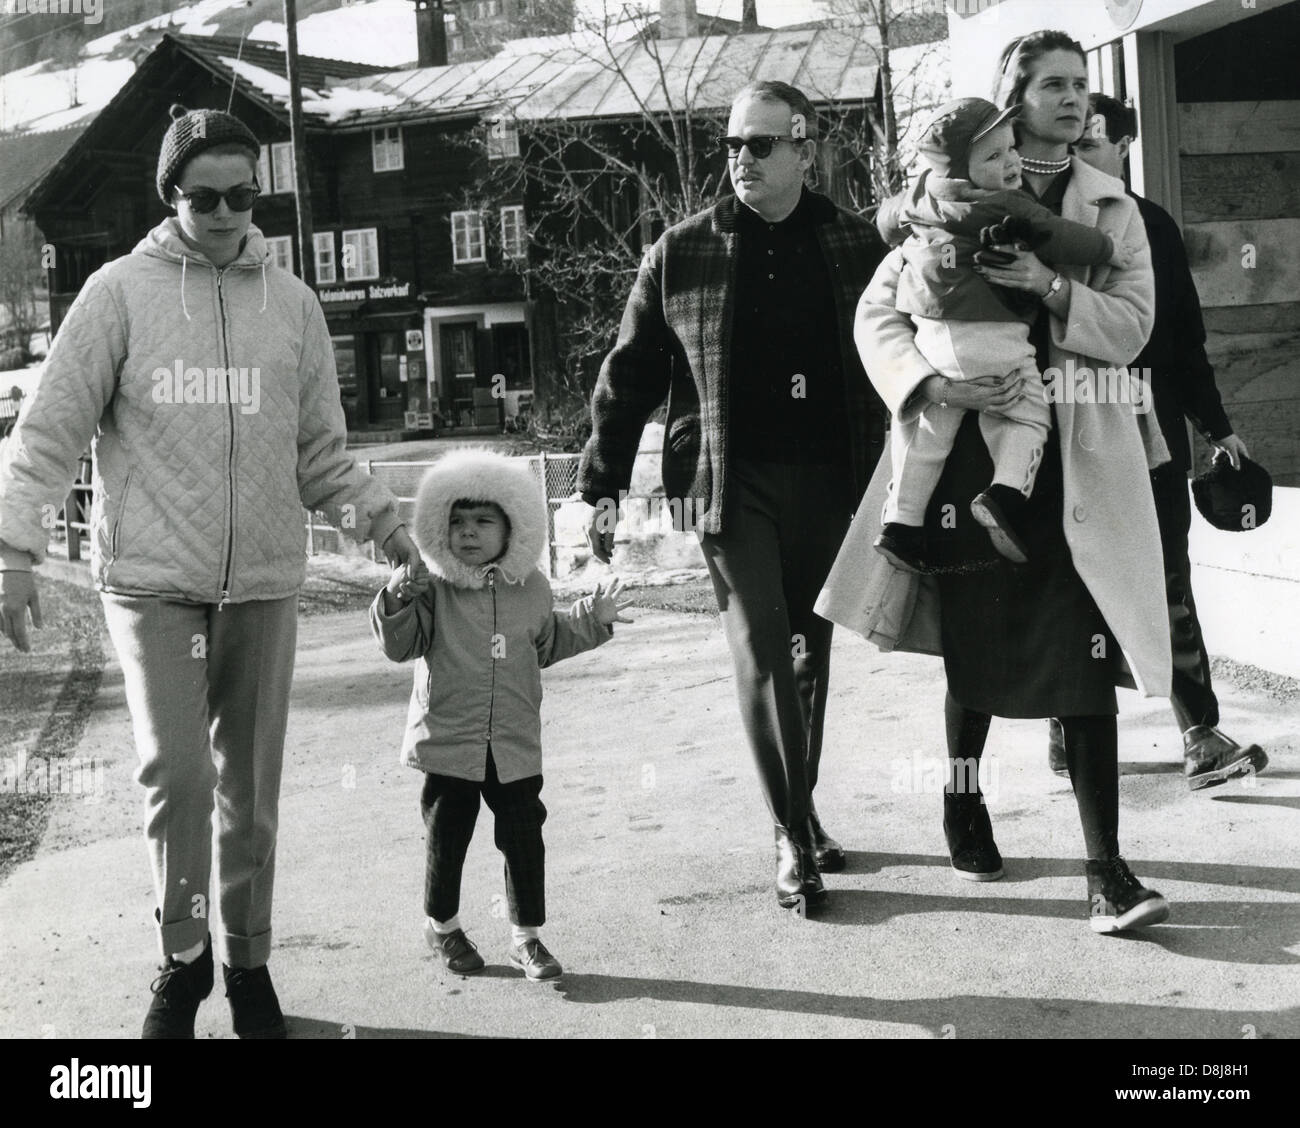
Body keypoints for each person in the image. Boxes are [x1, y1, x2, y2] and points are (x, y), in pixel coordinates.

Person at [0, 104, 422, 1037]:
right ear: (172, 193)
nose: (227, 210)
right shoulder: (116, 294)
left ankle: (249, 964)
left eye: (242, 192)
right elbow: (48, 434)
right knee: (180, 776)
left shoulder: (295, 306)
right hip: (152, 580)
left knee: (252, 790)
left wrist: (385, 527)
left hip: (266, 581)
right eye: (205, 195)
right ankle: (182, 962)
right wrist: (13, 551)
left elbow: (320, 455)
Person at [819, 31, 1173, 934]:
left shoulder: (1110, 208)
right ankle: (964, 798)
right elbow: (878, 314)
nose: (1072, 100)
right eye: (1052, 85)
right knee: (973, 649)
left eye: (1080, 86)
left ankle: (1106, 872)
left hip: (1081, 454)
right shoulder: (942, 198)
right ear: (1010, 101)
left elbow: (1132, 329)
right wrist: (932, 384)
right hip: (971, 456)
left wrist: (1052, 287)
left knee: (1084, 651)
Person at [577, 80, 888, 911]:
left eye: (759, 145)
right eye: (730, 146)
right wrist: (601, 488)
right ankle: (791, 837)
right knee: (760, 646)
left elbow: (905, 358)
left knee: (808, 655)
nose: (739, 161)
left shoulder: (858, 246)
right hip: (726, 481)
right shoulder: (682, 250)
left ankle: (801, 809)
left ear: (804, 148)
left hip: (833, 477)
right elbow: (629, 375)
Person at [1065, 93, 1268, 791]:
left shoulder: (1151, 225)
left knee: (1167, 577)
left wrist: (1219, 428)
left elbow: (1185, 342)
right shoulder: (1051, 221)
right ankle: (1068, 724)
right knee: (1078, 577)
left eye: (1093, 139)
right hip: (1075, 426)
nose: (1080, 152)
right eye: (1071, 140)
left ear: (1124, 144)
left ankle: (1199, 736)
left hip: (1150, 429)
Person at [371, 449, 630, 982]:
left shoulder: (530, 587)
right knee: (448, 835)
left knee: (523, 836)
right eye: (458, 521)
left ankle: (526, 938)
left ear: (512, 526)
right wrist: (394, 601)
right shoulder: (433, 588)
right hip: (449, 741)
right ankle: (442, 925)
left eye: (483, 521)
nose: (468, 533)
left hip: (512, 742)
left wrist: (593, 618)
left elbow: (549, 640)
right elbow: (402, 645)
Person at [873, 97, 1135, 570]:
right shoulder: (1009, 206)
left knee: (927, 432)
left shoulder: (919, 198)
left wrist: (904, 232)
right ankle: (1005, 494)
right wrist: (1107, 247)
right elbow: (1061, 236)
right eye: (994, 157)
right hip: (993, 332)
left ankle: (901, 525)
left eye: (1010, 148)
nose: (1010, 160)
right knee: (1026, 412)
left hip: (931, 337)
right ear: (965, 171)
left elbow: (885, 220)